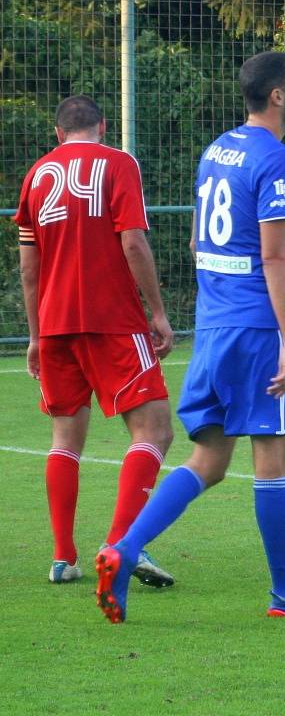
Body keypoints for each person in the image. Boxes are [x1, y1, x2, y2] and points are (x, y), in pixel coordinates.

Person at [95, 52, 285, 623]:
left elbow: (195, 242)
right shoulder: (278, 160)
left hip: (214, 324)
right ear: (278, 97)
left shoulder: (217, 149)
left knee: (209, 457)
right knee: (275, 457)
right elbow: (276, 256)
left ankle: (124, 548)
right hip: (256, 328)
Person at [15, 95, 175, 588]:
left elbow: (28, 267)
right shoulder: (118, 163)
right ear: (102, 126)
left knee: (65, 440)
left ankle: (64, 557)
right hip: (113, 320)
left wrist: (36, 336)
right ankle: (121, 544)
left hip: (56, 323)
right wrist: (159, 312)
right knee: (154, 432)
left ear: (58, 132)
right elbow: (132, 241)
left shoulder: (36, 175)